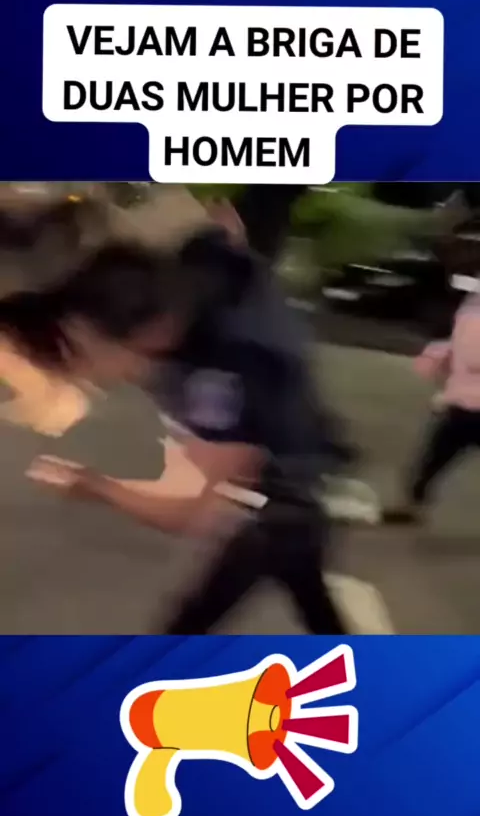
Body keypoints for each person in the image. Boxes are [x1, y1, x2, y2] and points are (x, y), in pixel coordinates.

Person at [1, 229, 348, 635]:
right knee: (304, 595)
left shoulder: (222, 378)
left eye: (87, 356)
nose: (89, 377)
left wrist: (93, 485)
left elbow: (189, 512)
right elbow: (216, 233)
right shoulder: (183, 278)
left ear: (150, 335)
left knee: (198, 619)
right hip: (285, 499)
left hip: (276, 502)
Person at [383, 289, 480, 524]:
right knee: (435, 455)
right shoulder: (471, 310)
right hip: (463, 406)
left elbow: (463, 351)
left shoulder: (470, 310)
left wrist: (437, 361)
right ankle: (411, 503)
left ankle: (411, 504)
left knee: (435, 457)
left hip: (463, 405)